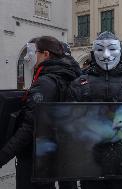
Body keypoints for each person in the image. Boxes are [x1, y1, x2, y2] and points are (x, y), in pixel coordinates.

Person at [67, 31, 122, 189]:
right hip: (89, 160)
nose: (106, 55)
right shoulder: (78, 83)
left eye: (112, 49)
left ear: (121, 52)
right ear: (92, 52)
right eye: (100, 49)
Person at [0, 36, 81, 189]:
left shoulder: (46, 83)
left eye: (33, 51)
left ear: (46, 54)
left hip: (36, 157)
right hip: (58, 151)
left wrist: (3, 156)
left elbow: (30, 127)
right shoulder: (67, 76)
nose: (27, 56)